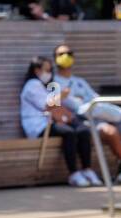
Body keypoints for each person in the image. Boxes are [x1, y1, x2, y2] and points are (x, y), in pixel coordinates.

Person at [53, 43, 121, 184]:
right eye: (61, 55)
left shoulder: (80, 81)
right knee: (110, 132)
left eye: (69, 54)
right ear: (55, 59)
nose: (65, 57)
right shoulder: (53, 82)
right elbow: (50, 106)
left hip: (102, 116)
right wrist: (61, 97)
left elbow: (96, 99)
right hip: (82, 122)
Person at [21, 56, 98, 187]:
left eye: (51, 70)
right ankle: (73, 173)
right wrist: (61, 95)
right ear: (36, 70)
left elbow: (59, 108)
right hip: (38, 126)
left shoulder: (49, 85)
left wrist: (68, 117)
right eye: (46, 70)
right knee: (69, 133)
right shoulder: (32, 85)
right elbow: (47, 106)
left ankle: (87, 169)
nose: (49, 73)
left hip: (53, 122)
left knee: (83, 130)